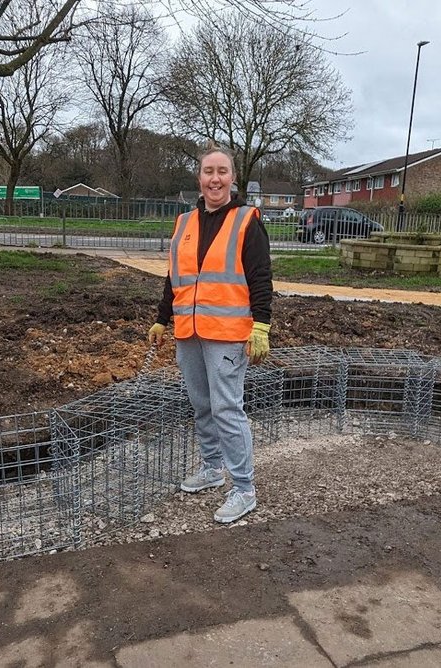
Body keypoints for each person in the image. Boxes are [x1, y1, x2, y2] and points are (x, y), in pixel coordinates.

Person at [147, 145, 273, 524]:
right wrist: (161, 317)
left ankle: (243, 488)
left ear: (233, 178)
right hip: (189, 332)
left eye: (222, 171)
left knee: (226, 408)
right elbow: (176, 277)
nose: (215, 179)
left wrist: (262, 324)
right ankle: (212, 467)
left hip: (228, 334)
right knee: (202, 405)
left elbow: (260, 276)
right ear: (199, 179)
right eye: (208, 172)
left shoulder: (247, 219)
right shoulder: (184, 223)